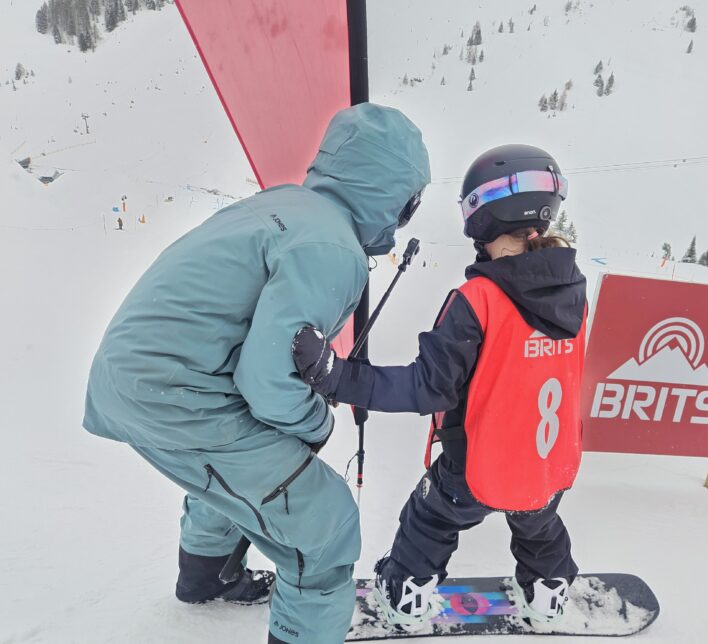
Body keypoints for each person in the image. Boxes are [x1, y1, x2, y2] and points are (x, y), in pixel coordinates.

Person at [83, 103, 430, 644]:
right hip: (180, 396)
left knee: (240, 472)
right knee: (325, 526)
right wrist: (317, 424)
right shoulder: (333, 247)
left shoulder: (282, 205)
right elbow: (269, 383)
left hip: (129, 380)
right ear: (396, 196)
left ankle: (205, 577)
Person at [293, 144, 587, 630]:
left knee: (429, 519)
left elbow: (428, 388)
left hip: (476, 467)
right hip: (549, 466)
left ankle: (404, 595)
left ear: (481, 216)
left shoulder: (479, 300)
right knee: (538, 525)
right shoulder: (575, 293)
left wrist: (338, 377)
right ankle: (549, 590)